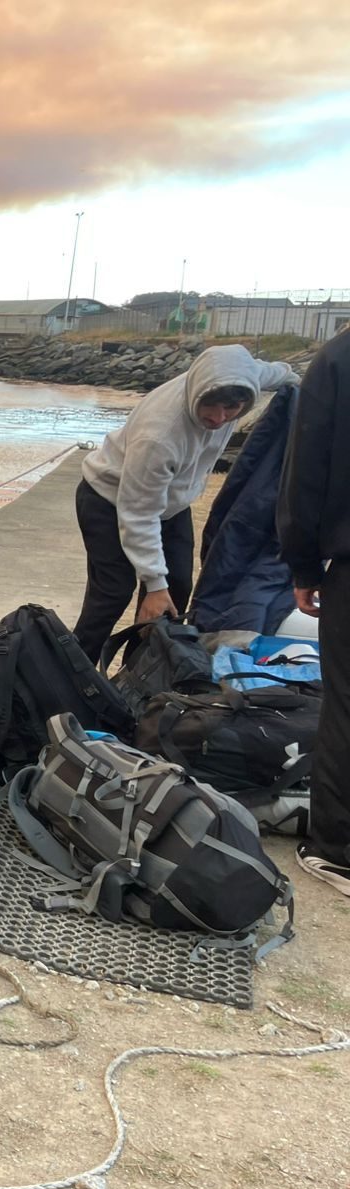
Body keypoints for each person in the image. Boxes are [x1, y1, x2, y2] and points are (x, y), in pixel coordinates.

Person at [73, 344, 297, 664]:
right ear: (198, 393)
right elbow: (139, 514)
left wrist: (311, 390)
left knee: (176, 587)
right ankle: (74, 679)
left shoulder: (247, 378)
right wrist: (152, 583)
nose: (219, 418)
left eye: (232, 408)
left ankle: (141, 674)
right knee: (113, 593)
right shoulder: (160, 434)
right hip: (107, 499)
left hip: (171, 504)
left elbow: (280, 374)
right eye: (211, 406)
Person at [278, 326, 350, 897]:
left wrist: (303, 566)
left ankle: (339, 851)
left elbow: (306, 474)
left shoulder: (338, 359)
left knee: (344, 706)